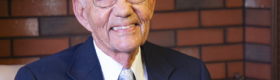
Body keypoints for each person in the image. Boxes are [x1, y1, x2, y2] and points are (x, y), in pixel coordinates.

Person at [15, 0, 211, 79]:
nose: (124, 10)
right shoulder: (37, 78)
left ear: (151, 5)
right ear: (82, 13)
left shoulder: (194, 73)